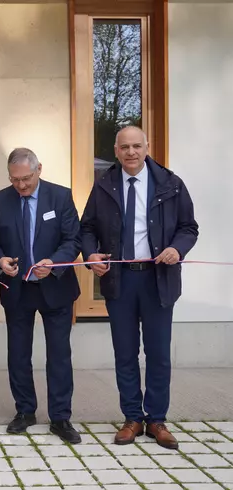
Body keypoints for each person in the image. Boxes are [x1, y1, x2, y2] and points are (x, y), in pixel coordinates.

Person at [81, 126, 199, 449]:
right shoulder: (104, 184)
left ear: (146, 147)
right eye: (124, 147)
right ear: (116, 151)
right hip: (120, 281)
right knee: (125, 353)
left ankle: (157, 420)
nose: (131, 152)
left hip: (158, 278)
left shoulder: (171, 184)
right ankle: (132, 417)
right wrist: (91, 254)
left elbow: (189, 227)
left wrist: (177, 248)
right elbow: (87, 228)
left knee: (159, 353)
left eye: (137, 146)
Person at [0, 148, 82, 444]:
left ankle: (60, 417)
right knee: (18, 353)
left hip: (55, 286)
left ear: (39, 169)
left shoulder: (60, 196)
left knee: (59, 354)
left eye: (26, 179)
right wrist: (0, 261)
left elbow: (73, 239)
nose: (21, 186)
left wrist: (54, 262)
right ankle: (25, 411)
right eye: (15, 180)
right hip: (17, 287)